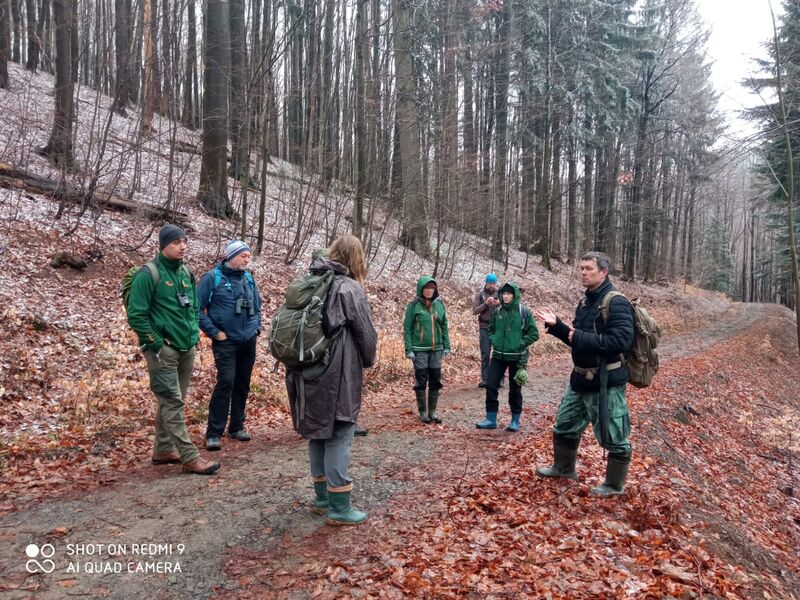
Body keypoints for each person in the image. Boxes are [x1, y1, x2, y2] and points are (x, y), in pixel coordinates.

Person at [285, 235, 378, 525]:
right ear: (356, 258)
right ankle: (339, 507)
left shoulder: (311, 282)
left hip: (306, 368)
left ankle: (322, 498)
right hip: (337, 371)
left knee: (317, 431)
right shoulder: (349, 288)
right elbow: (365, 333)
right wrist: (368, 359)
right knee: (340, 430)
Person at [534, 251, 634, 497]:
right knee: (565, 425)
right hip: (579, 379)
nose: (583, 273)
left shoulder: (616, 302)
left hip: (606, 382)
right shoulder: (585, 302)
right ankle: (563, 468)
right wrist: (557, 326)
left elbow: (621, 341)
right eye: (581, 268)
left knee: (615, 436)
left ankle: (613, 486)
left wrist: (577, 336)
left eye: (589, 268)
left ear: (603, 272)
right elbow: (576, 340)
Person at [127, 224, 220, 475]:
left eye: (184, 241)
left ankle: (163, 449)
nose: (182, 246)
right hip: (162, 351)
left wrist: (193, 337)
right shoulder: (149, 274)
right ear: (163, 245)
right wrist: (158, 344)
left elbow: (193, 308)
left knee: (171, 401)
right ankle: (189, 457)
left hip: (186, 347)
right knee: (172, 401)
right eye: (176, 242)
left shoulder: (185, 273)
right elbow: (136, 315)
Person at [198, 240, 262, 451]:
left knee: (242, 383)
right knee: (226, 382)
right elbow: (196, 310)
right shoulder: (212, 278)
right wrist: (215, 333)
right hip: (226, 341)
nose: (247, 259)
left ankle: (237, 426)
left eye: (248, 256)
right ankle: (214, 433)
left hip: (248, 340)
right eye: (243, 255)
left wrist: (256, 328)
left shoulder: (248, 278)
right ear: (231, 256)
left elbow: (258, 306)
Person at [475, 282, 539, 432]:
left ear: (515, 295)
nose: (506, 296)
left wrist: (520, 343)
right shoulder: (498, 312)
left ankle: (515, 421)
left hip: (516, 357)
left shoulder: (523, 312)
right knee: (491, 385)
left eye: (509, 293)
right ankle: (490, 419)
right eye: (503, 293)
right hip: (498, 355)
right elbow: (490, 329)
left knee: (515, 389)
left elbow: (534, 333)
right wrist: (495, 339)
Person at [403, 276, 451, 423]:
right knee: (421, 379)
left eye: (432, 288)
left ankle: (433, 412)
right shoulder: (413, 305)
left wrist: (447, 345)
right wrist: (409, 349)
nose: (429, 291)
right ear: (421, 289)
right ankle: (423, 412)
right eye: (427, 288)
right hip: (419, 349)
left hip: (436, 349)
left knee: (435, 380)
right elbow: (407, 328)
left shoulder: (439, 305)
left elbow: (444, 326)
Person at [473, 273, 500, 388]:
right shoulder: (480, 295)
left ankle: (499, 379)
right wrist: (486, 303)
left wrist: (499, 303)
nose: (492, 285)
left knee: (499, 354)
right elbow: (474, 311)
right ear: (486, 283)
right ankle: (485, 379)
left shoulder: (500, 295)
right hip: (484, 327)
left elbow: (507, 308)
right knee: (485, 354)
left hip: (497, 328)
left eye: (493, 283)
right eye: (490, 283)